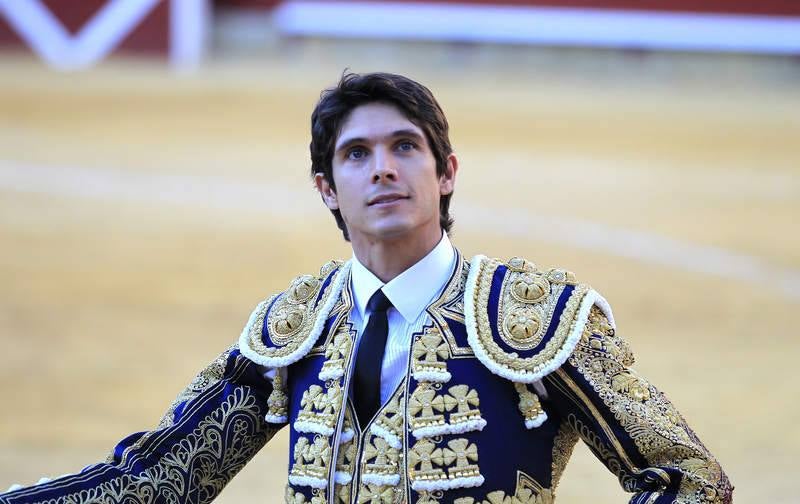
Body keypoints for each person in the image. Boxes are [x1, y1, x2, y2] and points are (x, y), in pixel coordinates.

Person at [1, 72, 733, 504]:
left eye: (404, 147)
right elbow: (158, 483)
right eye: (358, 154)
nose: (383, 168)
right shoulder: (294, 329)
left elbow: (689, 479)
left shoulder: (531, 321)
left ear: (445, 173)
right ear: (327, 189)